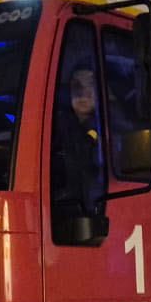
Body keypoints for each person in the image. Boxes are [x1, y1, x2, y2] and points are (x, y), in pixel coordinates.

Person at [52, 65, 105, 215]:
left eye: (91, 84)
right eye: (77, 85)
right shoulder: (54, 133)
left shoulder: (111, 130)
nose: (83, 93)